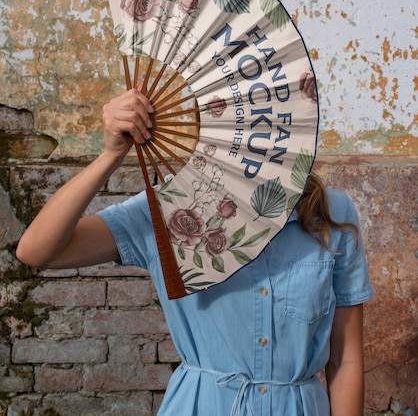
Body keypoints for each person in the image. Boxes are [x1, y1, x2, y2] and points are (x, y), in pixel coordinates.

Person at [16, 85, 373, 416]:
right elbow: (38, 251)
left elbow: (344, 360)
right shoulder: (172, 207)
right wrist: (110, 155)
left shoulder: (332, 214)